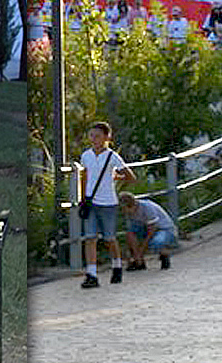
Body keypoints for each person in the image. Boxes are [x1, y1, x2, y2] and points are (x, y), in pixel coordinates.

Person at [77, 121, 137, 289]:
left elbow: (130, 176)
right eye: (91, 136)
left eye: (97, 136)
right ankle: (92, 274)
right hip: (91, 201)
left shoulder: (113, 157)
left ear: (106, 137)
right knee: (90, 238)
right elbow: (84, 176)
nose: (93, 139)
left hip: (108, 202)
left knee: (110, 238)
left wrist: (116, 178)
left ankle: (117, 265)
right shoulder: (86, 155)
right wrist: (83, 198)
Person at [121, 191, 180, 272]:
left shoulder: (147, 207)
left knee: (156, 242)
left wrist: (141, 251)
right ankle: (139, 262)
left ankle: (164, 254)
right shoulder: (128, 213)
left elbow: (151, 230)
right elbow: (131, 231)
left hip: (162, 228)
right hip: (144, 227)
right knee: (130, 234)